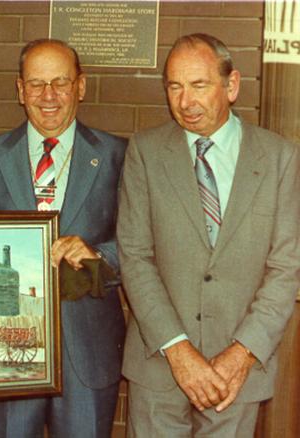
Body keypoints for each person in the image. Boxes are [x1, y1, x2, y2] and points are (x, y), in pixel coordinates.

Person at [117, 33, 300, 437]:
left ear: (231, 85)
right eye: (174, 87)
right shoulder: (145, 152)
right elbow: (135, 257)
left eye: (199, 85)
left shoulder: (279, 158)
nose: (185, 102)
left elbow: (287, 268)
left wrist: (242, 354)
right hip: (160, 367)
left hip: (235, 376)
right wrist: (179, 351)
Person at [0, 39, 127, 437]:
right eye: (36, 84)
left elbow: (138, 246)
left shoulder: (119, 154)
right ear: (19, 90)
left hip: (87, 349)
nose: (48, 96)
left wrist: (97, 255)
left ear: (80, 87)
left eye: (60, 82)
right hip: (6, 349)